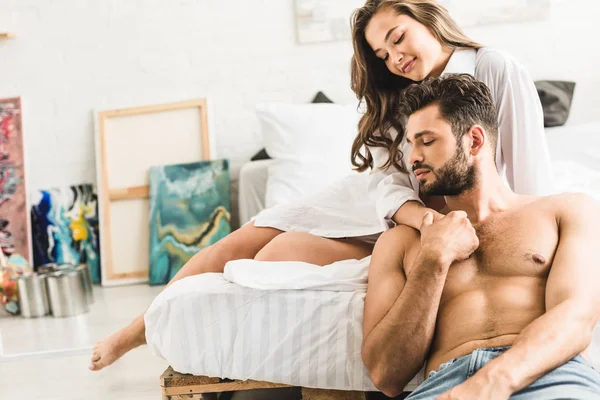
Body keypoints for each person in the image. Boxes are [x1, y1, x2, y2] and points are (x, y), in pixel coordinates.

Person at [89, 0, 552, 371]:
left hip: (431, 219)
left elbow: (529, 175)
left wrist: (510, 234)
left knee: (276, 255)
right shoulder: (395, 98)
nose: (395, 58)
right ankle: (135, 330)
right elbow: (387, 182)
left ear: (425, 15)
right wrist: (419, 216)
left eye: (397, 39)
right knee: (250, 236)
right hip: (391, 205)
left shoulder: (493, 68)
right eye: (383, 56)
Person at [362, 73, 600, 399]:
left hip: (553, 376)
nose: (413, 157)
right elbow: (385, 375)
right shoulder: (400, 242)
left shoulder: (568, 211)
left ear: (474, 140)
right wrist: (433, 258)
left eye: (427, 141)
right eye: (410, 144)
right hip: (445, 385)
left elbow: (577, 317)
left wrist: (491, 382)